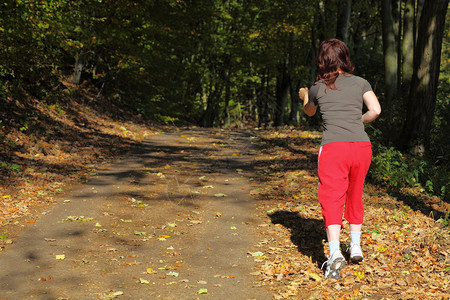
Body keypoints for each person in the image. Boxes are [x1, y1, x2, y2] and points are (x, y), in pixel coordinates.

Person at [298, 38, 381, 279]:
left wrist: (305, 94)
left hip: (334, 148)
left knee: (332, 196)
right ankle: (355, 246)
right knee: (355, 193)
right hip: (362, 147)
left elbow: (309, 111)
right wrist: (358, 121)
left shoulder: (317, 87)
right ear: (345, 58)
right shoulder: (361, 83)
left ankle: (334, 253)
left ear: (323, 60)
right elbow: (375, 110)